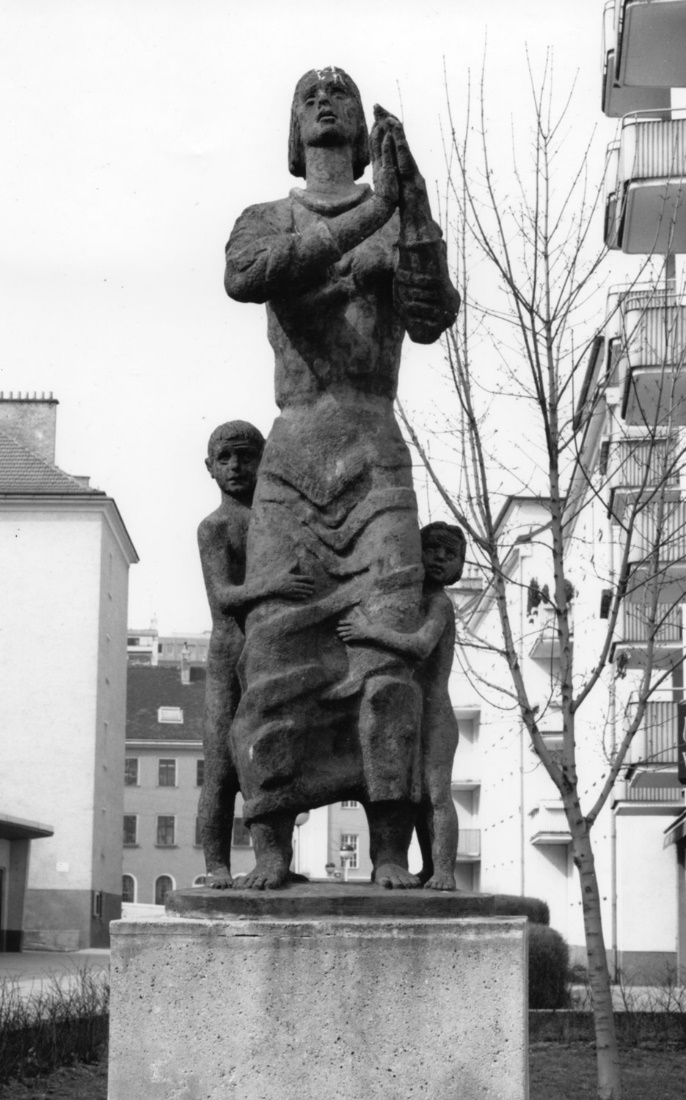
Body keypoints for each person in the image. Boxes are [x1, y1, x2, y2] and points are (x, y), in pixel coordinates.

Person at [224, 67, 460, 889]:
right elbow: (252, 276)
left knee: (384, 656)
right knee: (277, 652)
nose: (326, 102)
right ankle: (272, 846)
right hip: (293, 460)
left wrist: (417, 212)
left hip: (373, 452)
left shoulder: (396, 222)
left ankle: (390, 848)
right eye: (308, 95)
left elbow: (431, 317)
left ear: (363, 125)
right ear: (295, 127)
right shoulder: (266, 219)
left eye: (342, 94)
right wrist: (377, 209)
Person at [197, 420, 313, 887]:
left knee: (272, 758)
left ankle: (276, 860)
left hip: (274, 656)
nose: (236, 467)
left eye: (246, 456)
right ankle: (216, 866)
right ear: (209, 468)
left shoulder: (278, 522)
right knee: (224, 767)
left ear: (264, 461)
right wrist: (276, 586)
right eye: (224, 458)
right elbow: (223, 596)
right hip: (230, 657)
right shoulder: (216, 527)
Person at [338, 522, 466, 890]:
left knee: (436, 792)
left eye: (450, 554)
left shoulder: (439, 602)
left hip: (436, 713)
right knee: (416, 792)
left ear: (458, 565)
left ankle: (443, 871)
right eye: (432, 550)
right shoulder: (409, 600)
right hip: (412, 710)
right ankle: (429, 869)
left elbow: (421, 646)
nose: (440, 559)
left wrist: (368, 632)